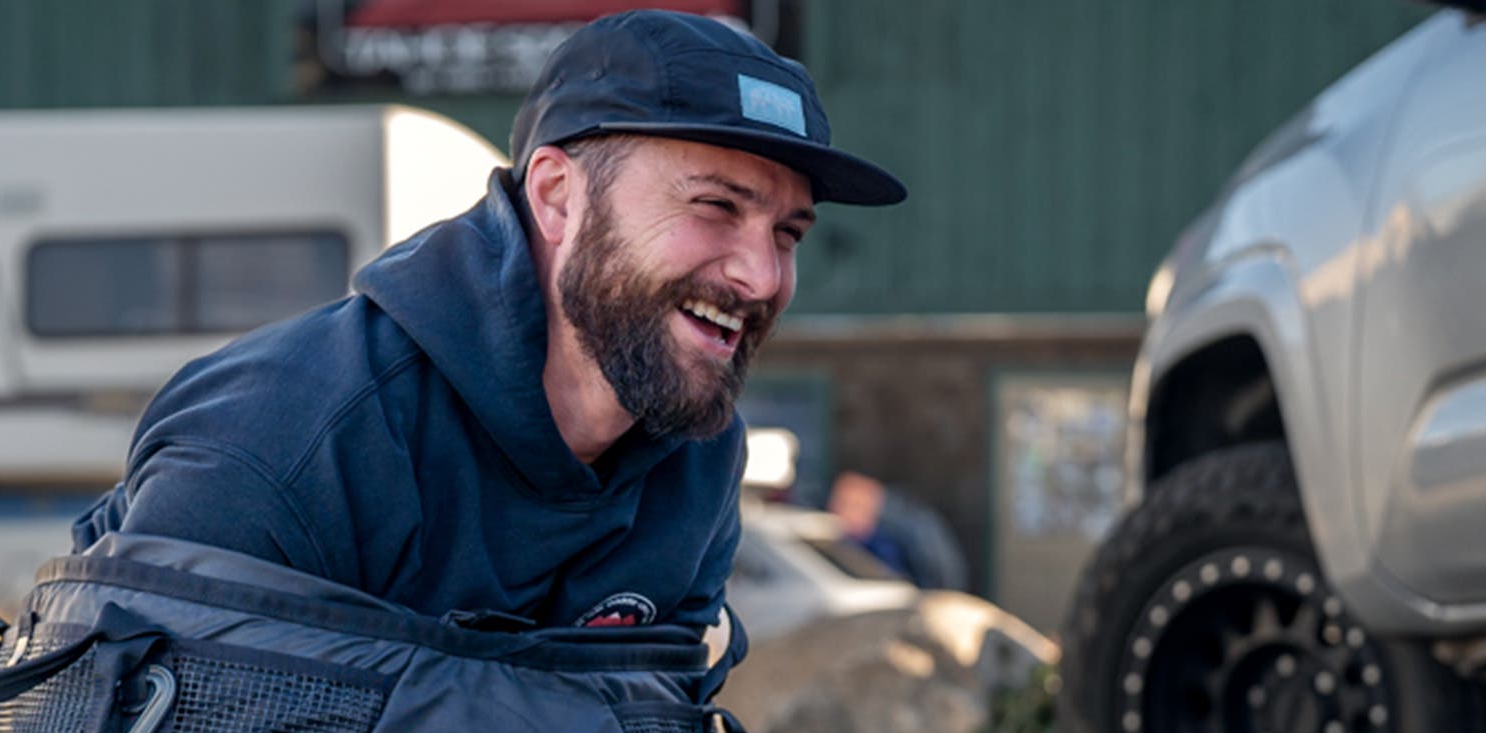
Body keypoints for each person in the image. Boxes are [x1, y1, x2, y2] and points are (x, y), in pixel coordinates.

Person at [72, 9, 906, 671]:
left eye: (788, 233)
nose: (760, 277)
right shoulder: (292, 439)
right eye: (715, 206)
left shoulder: (696, 461)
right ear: (556, 197)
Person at [828, 469, 970, 591]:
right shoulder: (832, 542)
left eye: (853, 504)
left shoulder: (888, 543)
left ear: (873, 502)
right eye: (838, 502)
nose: (838, 510)